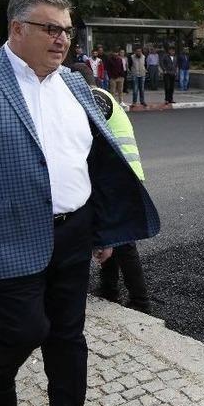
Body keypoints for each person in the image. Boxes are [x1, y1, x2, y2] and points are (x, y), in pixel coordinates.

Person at [0, 0, 160, 406]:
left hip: (75, 230)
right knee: (30, 328)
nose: (62, 40)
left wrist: (103, 231)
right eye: (51, 29)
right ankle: (2, 366)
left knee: (69, 332)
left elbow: (91, 161)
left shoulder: (74, 83)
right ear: (17, 28)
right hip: (7, 235)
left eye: (67, 30)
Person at [70, 62, 152, 313]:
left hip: (121, 176)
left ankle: (140, 301)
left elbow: (86, 133)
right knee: (111, 233)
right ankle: (109, 289)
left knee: (124, 241)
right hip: (119, 175)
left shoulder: (96, 97)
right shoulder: (103, 96)